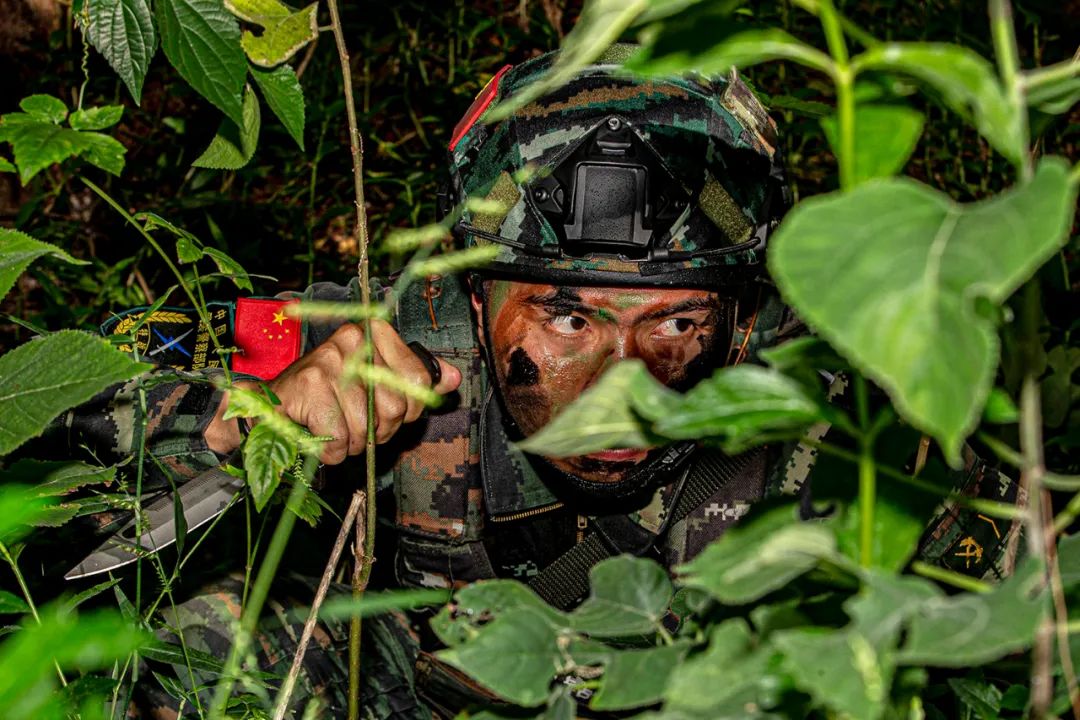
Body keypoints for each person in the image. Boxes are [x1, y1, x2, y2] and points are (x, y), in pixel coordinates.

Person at [37, 47, 1020, 718]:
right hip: (430, 684)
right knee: (199, 642)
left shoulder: (843, 426)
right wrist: (244, 426)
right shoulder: (397, 352)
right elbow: (63, 414)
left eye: (676, 321)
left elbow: (1024, 604)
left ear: (746, 319)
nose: (617, 383)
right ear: (473, 306)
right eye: (564, 316)